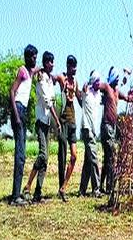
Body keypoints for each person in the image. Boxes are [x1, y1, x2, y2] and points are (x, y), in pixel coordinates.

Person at [22, 51, 61, 203]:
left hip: (47, 122)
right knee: (43, 155)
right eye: (50, 62)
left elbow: (53, 96)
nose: (52, 64)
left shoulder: (50, 79)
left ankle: (38, 193)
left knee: (45, 160)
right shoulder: (41, 79)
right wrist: (57, 120)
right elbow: (47, 101)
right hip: (41, 121)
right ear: (45, 63)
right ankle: (28, 186)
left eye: (53, 62)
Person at [99, 67, 133, 195]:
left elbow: (127, 98)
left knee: (108, 157)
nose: (118, 81)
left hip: (113, 127)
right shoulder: (107, 87)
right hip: (107, 125)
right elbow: (98, 85)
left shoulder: (116, 91)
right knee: (111, 156)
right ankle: (109, 187)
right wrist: (90, 85)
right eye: (117, 78)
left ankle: (102, 185)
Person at [9, 44, 38, 206]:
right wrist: (17, 116)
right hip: (18, 109)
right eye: (32, 57)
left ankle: (17, 193)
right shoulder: (22, 71)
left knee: (22, 154)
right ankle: (15, 197)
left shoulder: (30, 72)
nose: (35, 59)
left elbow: (37, 70)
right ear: (27, 57)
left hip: (24, 110)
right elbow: (12, 92)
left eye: (36, 56)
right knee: (20, 155)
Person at [53, 55, 82, 201]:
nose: (75, 69)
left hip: (73, 122)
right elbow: (51, 78)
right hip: (63, 121)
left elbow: (80, 99)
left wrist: (85, 92)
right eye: (72, 66)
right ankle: (61, 188)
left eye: (76, 66)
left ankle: (63, 186)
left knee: (74, 156)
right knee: (62, 155)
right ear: (68, 66)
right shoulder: (61, 78)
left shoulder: (75, 81)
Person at [78, 70, 102, 197]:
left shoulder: (98, 96)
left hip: (93, 130)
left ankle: (82, 190)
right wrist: (88, 83)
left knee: (88, 161)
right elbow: (82, 89)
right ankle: (96, 189)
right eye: (97, 80)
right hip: (87, 129)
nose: (99, 83)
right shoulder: (86, 92)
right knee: (94, 159)